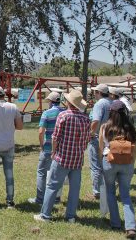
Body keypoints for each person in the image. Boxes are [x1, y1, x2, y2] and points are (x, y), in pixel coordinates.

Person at [34, 89, 91, 222]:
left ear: (69, 102)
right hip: (77, 159)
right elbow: (86, 139)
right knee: (74, 189)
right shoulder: (86, 119)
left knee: (52, 186)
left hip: (62, 157)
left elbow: (55, 137)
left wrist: (54, 152)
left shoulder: (64, 116)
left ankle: (45, 215)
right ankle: (71, 216)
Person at [98, 100, 136, 238]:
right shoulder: (129, 127)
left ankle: (115, 223)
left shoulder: (105, 127)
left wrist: (101, 160)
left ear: (111, 112)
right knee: (125, 195)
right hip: (127, 162)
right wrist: (131, 163)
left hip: (109, 161)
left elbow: (101, 147)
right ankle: (131, 226)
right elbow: (134, 149)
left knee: (110, 192)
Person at [28, 92, 64, 205]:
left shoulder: (47, 113)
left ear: (50, 102)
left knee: (41, 173)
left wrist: (41, 145)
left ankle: (40, 198)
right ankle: (57, 198)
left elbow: (40, 132)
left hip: (48, 148)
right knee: (57, 174)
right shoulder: (65, 112)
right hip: (61, 149)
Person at [88, 84, 112, 199]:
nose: (94, 94)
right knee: (106, 165)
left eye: (95, 92)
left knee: (95, 166)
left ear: (98, 92)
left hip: (98, 138)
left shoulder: (99, 104)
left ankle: (97, 191)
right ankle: (107, 188)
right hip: (111, 138)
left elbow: (96, 121)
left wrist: (90, 134)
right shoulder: (111, 102)